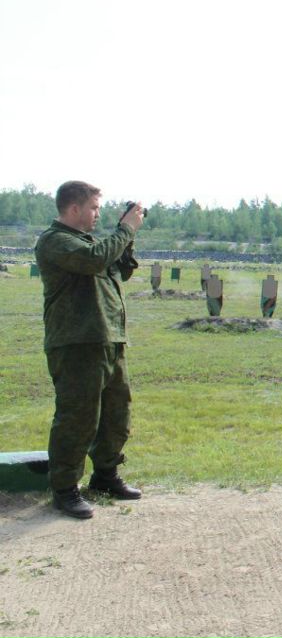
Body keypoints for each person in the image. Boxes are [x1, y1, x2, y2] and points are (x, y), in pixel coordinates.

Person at [35, 181, 145, 519]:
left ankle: (105, 476)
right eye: (94, 208)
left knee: (116, 414)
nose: (98, 214)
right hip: (76, 343)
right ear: (74, 209)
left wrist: (126, 240)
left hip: (108, 339)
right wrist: (125, 228)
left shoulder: (91, 243)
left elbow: (119, 270)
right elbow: (93, 260)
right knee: (77, 417)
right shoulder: (55, 242)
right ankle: (65, 489)